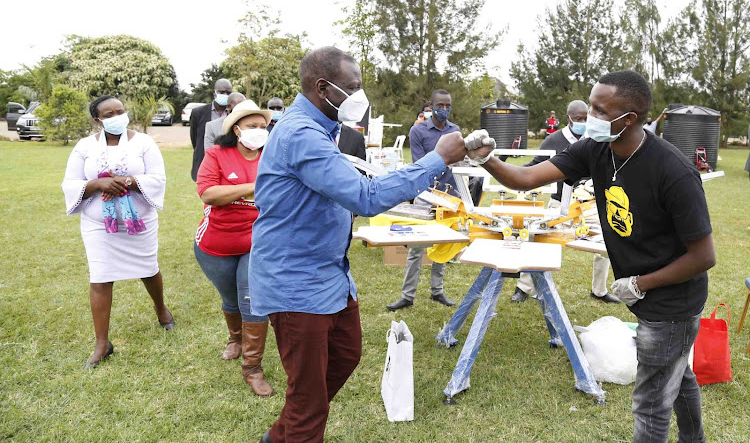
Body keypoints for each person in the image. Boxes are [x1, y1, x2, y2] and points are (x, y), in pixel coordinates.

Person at [249, 46, 480, 443]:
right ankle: (292, 431)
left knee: (345, 354)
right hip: (296, 284)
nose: (360, 96)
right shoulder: (300, 134)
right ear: (323, 87)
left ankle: (280, 435)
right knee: (309, 404)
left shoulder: (325, 129)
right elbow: (365, 197)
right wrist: (436, 160)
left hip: (330, 278)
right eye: (353, 87)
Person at [474, 70, 715, 442]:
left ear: (629, 119)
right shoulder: (595, 149)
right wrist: (488, 159)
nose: (589, 116)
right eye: (590, 105)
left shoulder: (673, 171)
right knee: (677, 374)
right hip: (648, 295)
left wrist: (640, 283)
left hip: (673, 303)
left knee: (650, 404)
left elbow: (704, 256)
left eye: (600, 110)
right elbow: (526, 178)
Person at [62, 95, 173, 370]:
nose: (117, 117)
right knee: (100, 278)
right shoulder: (84, 146)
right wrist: (99, 183)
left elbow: (158, 179)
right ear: (98, 120)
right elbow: (70, 183)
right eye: (109, 114)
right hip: (99, 226)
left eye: (120, 111)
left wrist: (127, 181)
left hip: (139, 223)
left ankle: (161, 309)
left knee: (148, 269)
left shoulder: (144, 142)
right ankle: (102, 343)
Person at [194, 99, 274, 396]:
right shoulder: (217, 154)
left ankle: (252, 368)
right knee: (231, 300)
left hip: (258, 242)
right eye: (252, 126)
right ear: (237, 130)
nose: (259, 131)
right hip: (215, 243)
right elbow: (209, 194)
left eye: (263, 126)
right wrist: (252, 187)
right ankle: (236, 339)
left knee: (252, 299)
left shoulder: (272, 157)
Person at [512, 100, 619, 304]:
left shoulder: (597, 138)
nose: (583, 122)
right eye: (578, 119)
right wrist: (515, 174)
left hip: (591, 204)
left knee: (605, 243)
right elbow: (535, 165)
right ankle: (524, 287)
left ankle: (599, 289)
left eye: (586, 118)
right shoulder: (553, 140)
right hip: (559, 202)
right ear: (568, 118)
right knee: (539, 241)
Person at [386, 89, 458, 311]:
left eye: (448, 106)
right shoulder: (418, 131)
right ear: (431, 104)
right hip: (425, 193)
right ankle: (407, 295)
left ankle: (438, 291)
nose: (444, 109)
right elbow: (420, 164)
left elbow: (458, 160)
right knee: (416, 248)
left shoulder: (455, 131)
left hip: (449, 196)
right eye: (440, 105)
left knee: (443, 244)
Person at [190, 78, 232, 181]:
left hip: (228, 163)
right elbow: (194, 138)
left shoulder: (234, 113)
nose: (225, 95)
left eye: (228, 92)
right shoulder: (198, 112)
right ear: (215, 92)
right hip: (204, 161)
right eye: (222, 92)